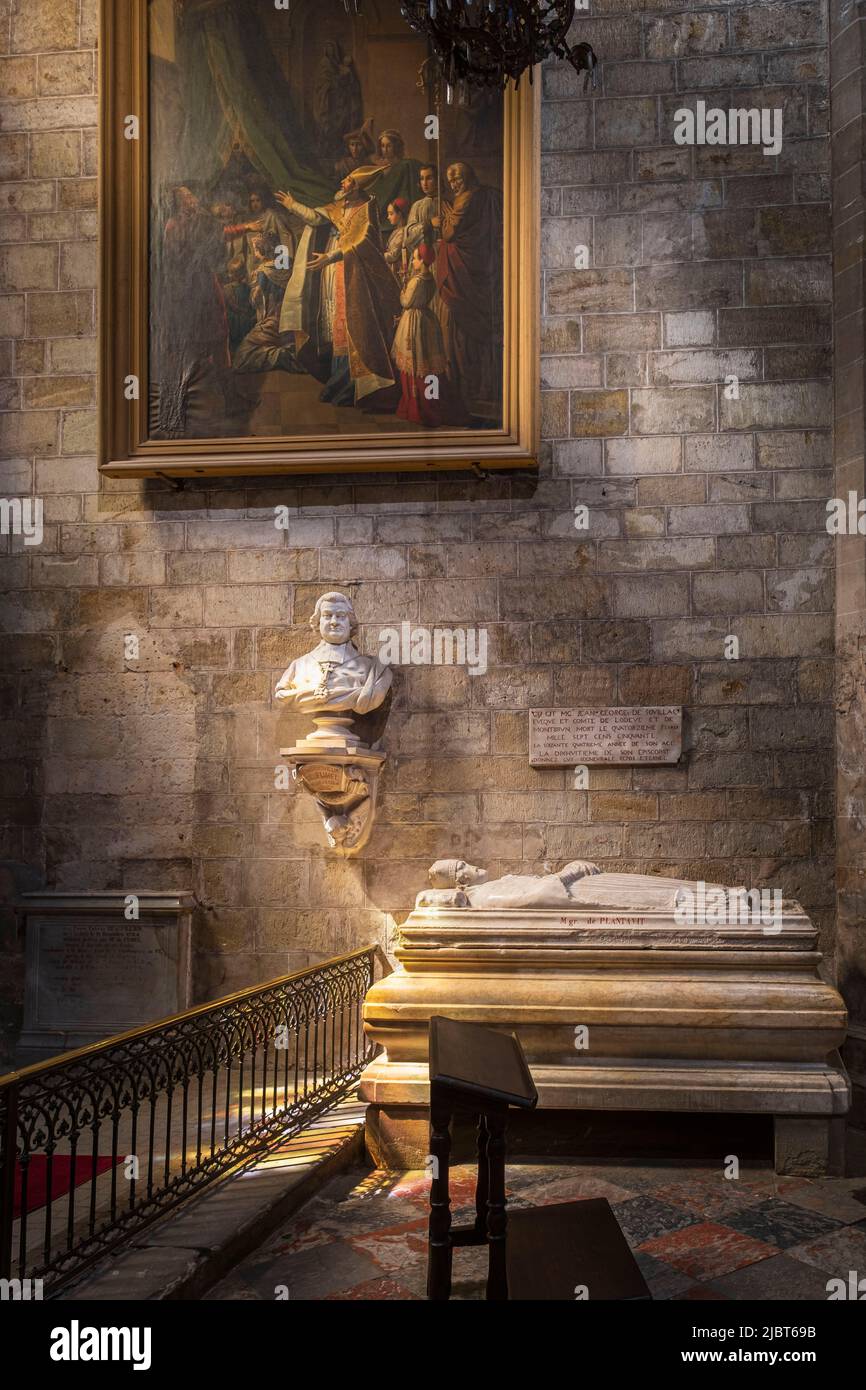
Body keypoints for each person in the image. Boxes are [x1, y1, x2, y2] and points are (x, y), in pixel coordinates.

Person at [276, 167, 401, 409]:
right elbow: (315, 218)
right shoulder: (339, 205)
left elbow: (364, 243)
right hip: (332, 272)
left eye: (348, 181)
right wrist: (292, 204)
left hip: (352, 273)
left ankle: (348, 386)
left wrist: (330, 257)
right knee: (335, 323)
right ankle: (336, 381)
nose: (342, 183)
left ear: (356, 187)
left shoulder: (367, 209)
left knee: (352, 325)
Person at [435, 160, 504, 425]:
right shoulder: (481, 196)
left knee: (467, 331)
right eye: (451, 180)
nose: (454, 184)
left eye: (458, 179)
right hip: (471, 274)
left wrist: (443, 219)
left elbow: (450, 234)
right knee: (468, 335)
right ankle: (475, 390)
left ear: (469, 177)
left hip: (466, 279)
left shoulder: (467, 200)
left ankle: (472, 393)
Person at [392, 243, 468, 428]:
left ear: (423, 261)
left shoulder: (416, 281)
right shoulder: (430, 279)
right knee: (427, 366)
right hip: (427, 320)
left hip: (414, 322)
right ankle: (427, 404)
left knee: (417, 365)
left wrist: (402, 290)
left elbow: (406, 301)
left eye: (416, 258)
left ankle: (418, 408)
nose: (413, 261)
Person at [406, 163, 439, 253]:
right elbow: (409, 234)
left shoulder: (445, 204)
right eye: (422, 179)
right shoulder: (417, 206)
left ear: (437, 180)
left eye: (429, 178)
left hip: (441, 253)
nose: (424, 183)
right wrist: (429, 224)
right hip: (421, 254)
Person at [383, 198, 411, 287]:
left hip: (398, 272)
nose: (388, 217)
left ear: (399, 214)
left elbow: (393, 256)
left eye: (391, 214)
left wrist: (378, 254)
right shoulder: (396, 231)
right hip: (392, 270)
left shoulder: (402, 232)